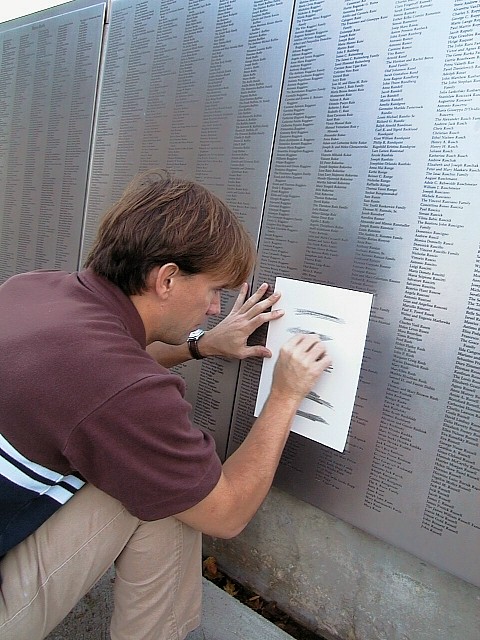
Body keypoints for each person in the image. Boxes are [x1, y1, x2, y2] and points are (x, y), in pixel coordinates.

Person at [0, 169, 331, 640]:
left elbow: (98, 372)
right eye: (215, 290)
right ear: (168, 279)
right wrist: (286, 395)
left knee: (163, 480)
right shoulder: (123, 390)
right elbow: (227, 513)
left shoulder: (32, 290)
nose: (216, 308)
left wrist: (202, 345)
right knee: (178, 493)